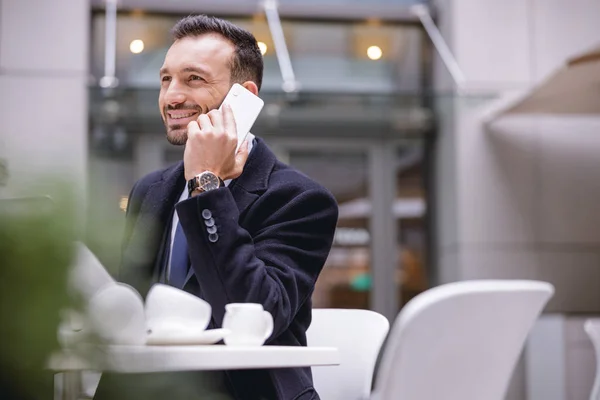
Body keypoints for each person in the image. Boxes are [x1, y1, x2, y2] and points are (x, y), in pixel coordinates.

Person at [94, 15, 338, 400]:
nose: (172, 96)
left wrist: (205, 184)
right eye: (165, 79)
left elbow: (256, 314)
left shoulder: (300, 199)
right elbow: (135, 309)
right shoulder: (151, 190)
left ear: (245, 96)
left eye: (193, 79)